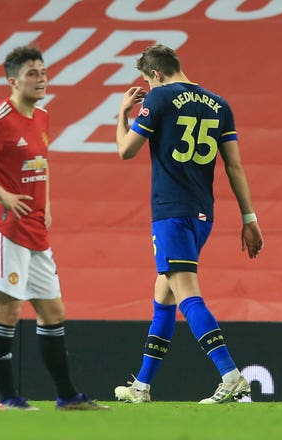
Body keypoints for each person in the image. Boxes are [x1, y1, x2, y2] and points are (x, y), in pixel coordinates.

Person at [0, 45, 107, 411]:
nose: (41, 79)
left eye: (43, 71)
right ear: (12, 81)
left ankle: (67, 396)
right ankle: (7, 398)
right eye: (32, 74)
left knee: (53, 311)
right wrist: (2, 194)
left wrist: (46, 202)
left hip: (35, 228)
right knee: (7, 311)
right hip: (6, 229)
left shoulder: (41, 116)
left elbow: (42, 162)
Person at [113, 44, 264, 404]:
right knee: (162, 296)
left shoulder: (160, 99)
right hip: (201, 216)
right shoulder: (219, 104)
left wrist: (122, 113)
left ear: (156, 74)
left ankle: (230, 376)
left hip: (171, 213)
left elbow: (125, 150)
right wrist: (249, 218)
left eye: (148, 80)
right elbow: (234, 167)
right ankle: (142, 387)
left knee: (187, 296)